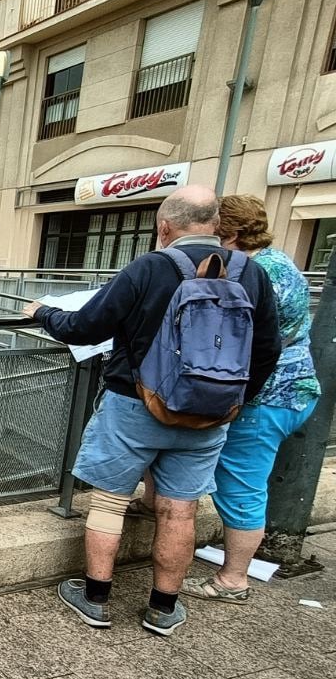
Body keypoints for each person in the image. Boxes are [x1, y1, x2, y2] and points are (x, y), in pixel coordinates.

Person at [22, 186, 281, 636]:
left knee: (109, 501)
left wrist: (43, 313)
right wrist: (233, 402)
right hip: (209, 414)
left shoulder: (150, 267)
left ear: (164, 227)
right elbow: (267, 350)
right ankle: (163, 608)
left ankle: (96, 599)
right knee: (180, 511)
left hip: (134, 404)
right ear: (217, 227)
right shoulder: (251, 274)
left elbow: (84, 327)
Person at [126, 195, 319, 603]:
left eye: (213, 231)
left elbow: (245, 346)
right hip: (293, 389)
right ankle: (152, 504)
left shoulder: (249, 273)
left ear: (227, 233)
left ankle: (233, 580)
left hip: (263, 399)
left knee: (241, 484)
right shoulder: (280, 263)